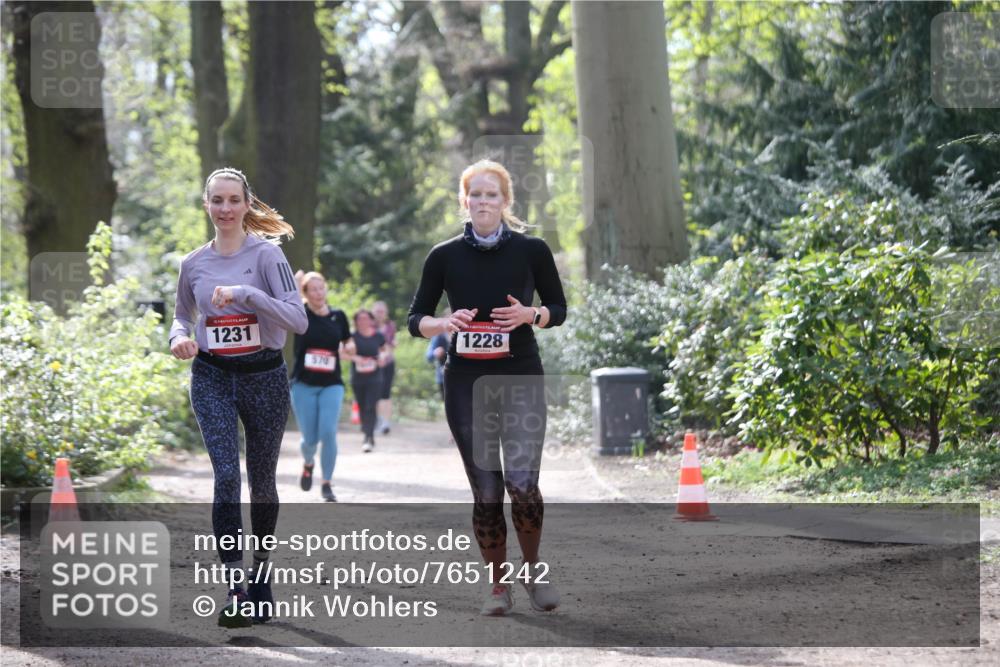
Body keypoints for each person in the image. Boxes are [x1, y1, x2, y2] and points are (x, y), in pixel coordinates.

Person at [407, 159, 567, 616]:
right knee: (487, 491)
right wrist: (443, 323)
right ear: (464, 200)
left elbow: (559, 307)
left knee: (522, 483)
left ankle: (533, 572)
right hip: (465, 381)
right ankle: (498, 586)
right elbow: (415, 318)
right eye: (474, 194)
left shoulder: (532, 250)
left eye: (491, 194)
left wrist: (530, 315)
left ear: (505, 201)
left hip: (519, 375)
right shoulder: (443, 256)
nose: (482, 202)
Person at [169, 167, 307, 628]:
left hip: (264, 376)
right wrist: (178, 341)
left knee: (262, 481)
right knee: (226, 474)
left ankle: (262, 575)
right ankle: (235, 586)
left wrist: (249, 294)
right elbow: (181, 318)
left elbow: (297, 320)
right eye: (217, 201)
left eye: (233, 200)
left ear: (247, 204)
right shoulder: (193, 264)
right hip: (211, 376)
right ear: (206, 205)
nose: (225, 209)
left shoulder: (267, 256)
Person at [290, 270, 350, 503]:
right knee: (310, 440)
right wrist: (296, 282)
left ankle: (326, 483)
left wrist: (350, 348)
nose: (318, 292)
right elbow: (291, 301)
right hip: (304, 384)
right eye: (312, 289)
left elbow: (348, 341)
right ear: (305, 293)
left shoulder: (338, 316)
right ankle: (308, 462)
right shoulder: (301, 314)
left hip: (331, 383)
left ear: (326, 288)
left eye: (321, 287)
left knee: (328, 432)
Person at [343, 309, 387, 452]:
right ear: (355, 322)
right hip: (358, 377)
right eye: (360, 319)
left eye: (366, 319)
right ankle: (367, 431)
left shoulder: (378, 336)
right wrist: (356, 358)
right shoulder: (352, 337)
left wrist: (382, 358)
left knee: (370, 405)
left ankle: (368, 436)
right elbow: (342, 353)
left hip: (375, 377)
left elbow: (385, 350)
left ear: (371, 320)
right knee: (362, 405)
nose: (363, 322)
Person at [372, 300, 397, 435]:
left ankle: (386, 422)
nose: (380, 314)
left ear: (386, 313)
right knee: (375, 392)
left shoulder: (390, 326)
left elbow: (393, 342)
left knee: (386, 393)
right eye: (377, 311)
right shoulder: (369, 326)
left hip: (388, 363)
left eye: (382, 311)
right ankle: (377, 419)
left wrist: (391, 345)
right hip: (373, 363)